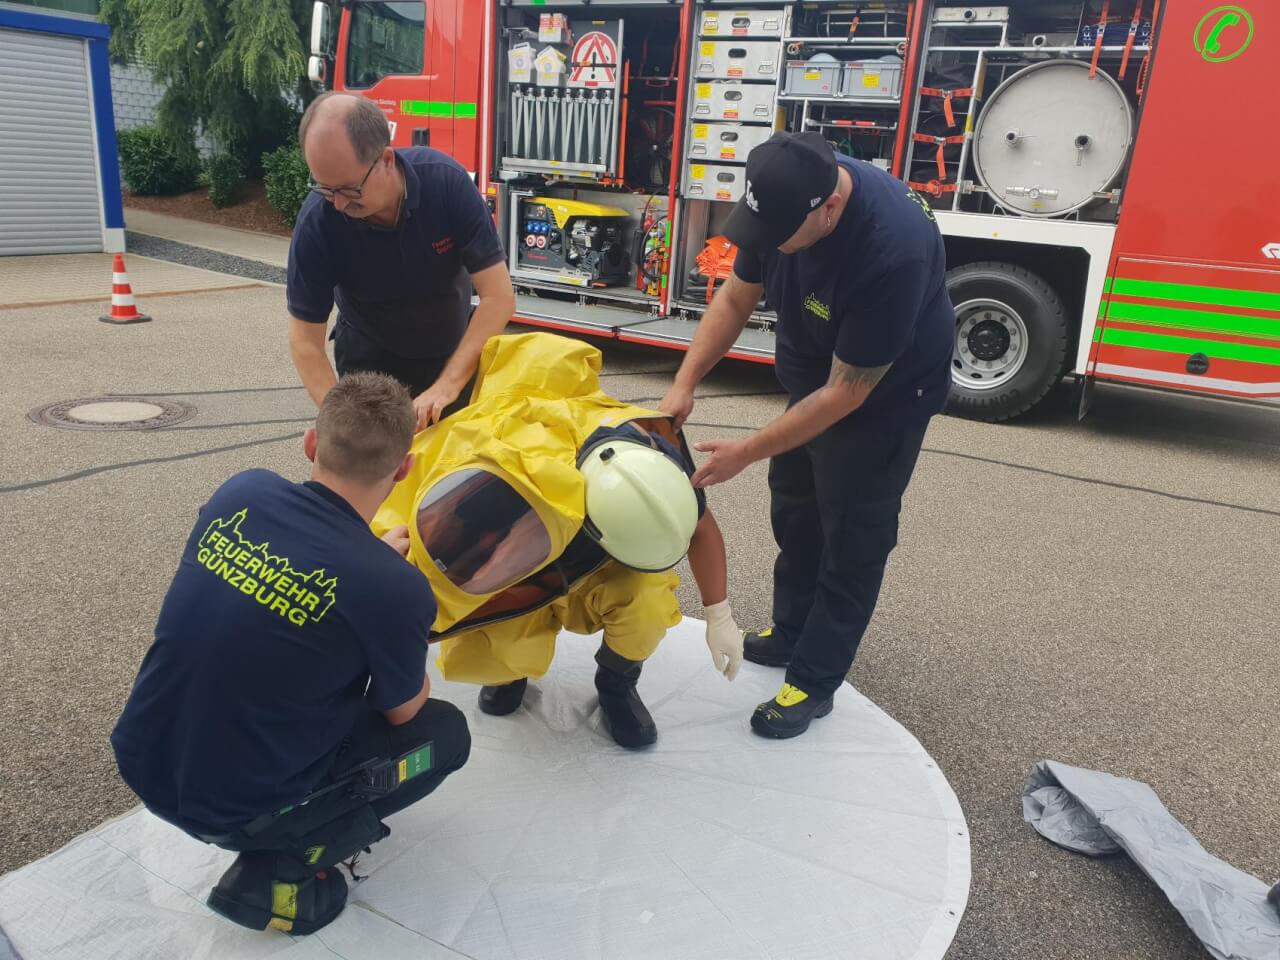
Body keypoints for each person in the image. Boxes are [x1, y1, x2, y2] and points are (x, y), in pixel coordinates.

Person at [110, 374, 470, 935]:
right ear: (404, 469)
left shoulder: (241, 493)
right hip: (234, 811)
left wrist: (371, 572)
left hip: (141, 758)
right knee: (444, 734)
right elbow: (404, 710)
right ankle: (288, 857)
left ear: (311, 442)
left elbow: (294, 576)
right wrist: (396, 613)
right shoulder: (393, 589)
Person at [660, 132, 953, 740]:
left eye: (780, 237)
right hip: (815, 377)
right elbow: (735, 300)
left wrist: (744, 451)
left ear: (830, 210)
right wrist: (683, 383)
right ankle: (792, 630)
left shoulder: (892, 249)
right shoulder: (784, 195)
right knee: (796, 511)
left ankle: (816, 678)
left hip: (883, 398)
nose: (768, 247)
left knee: (852, 536)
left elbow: (847, 393)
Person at [373, 332, 745, 749]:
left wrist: (719, 614)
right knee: (495, 645)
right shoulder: (505, 453)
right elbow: (418, 513)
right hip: (519, 553)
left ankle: (616, 683)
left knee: (647, 600)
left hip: (594, 562)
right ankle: (510, 674)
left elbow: (699, 525)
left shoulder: (653, 451)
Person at [287, 92, 516, 430]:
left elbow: (499, 297)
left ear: (386, 160)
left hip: (450, 352)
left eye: (349, 190)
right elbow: (305, 341)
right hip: (368, 352)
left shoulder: (446, 184)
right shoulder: (319, 221)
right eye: (325, 188)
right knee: (368, 454)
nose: (337, 204)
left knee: (451, 457)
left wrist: (447, 385)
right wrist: (337, 420)